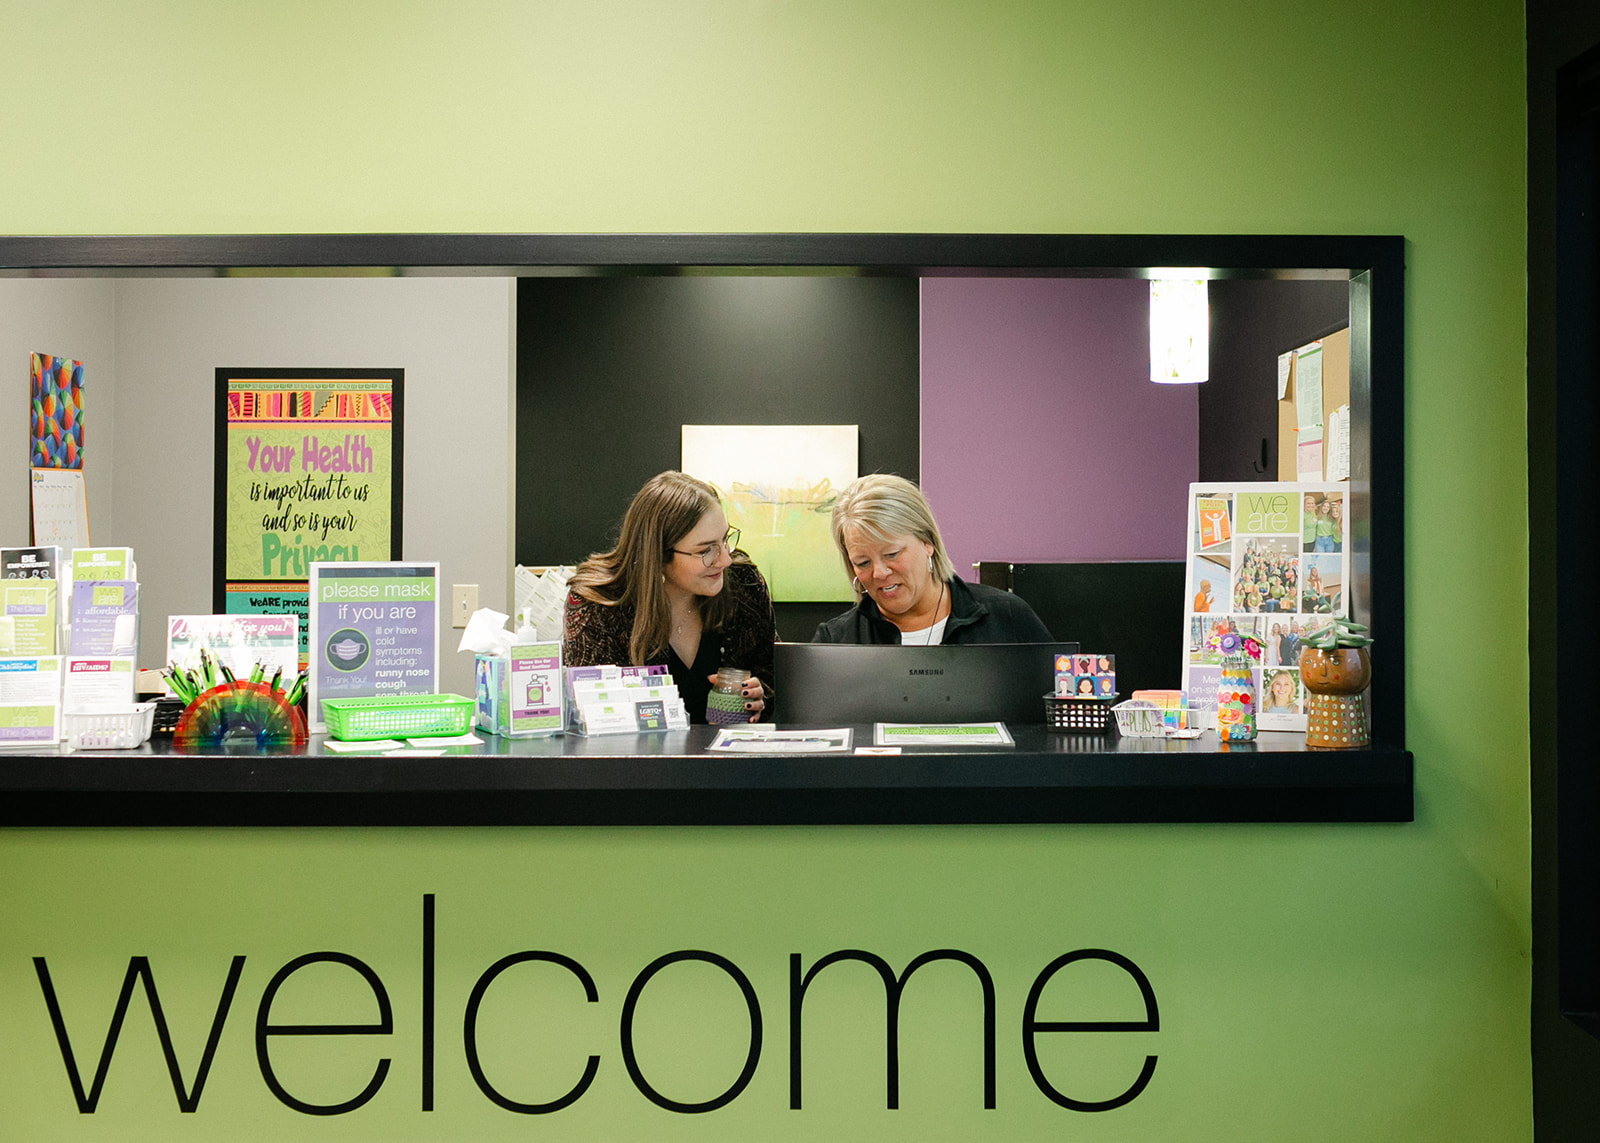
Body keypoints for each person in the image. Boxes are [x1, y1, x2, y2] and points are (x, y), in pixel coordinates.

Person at [563, 471, 775, 722]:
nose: (725, 559)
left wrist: (760, 698)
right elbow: (590, 715)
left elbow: (772, 678)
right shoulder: (598, 607)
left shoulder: (744, 586)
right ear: (659, 555)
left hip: (729, 758)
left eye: (724, 540)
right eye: (706, 550)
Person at [813, 474, 1053, 644]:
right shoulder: (835, 641)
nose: (879, 573)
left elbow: (1061, 706)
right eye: (863, 563)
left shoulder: (1007, 617)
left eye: (891, 554)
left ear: (928, 542)